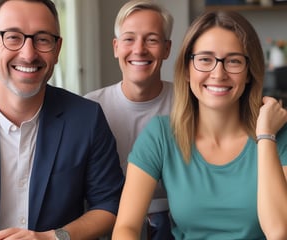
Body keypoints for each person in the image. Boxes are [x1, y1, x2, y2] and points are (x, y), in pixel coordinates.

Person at [112, 10, 287, 240]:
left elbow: (279, 231)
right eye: (205, 59)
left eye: (233, 61)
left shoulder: (276, 134)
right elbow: (126, 227)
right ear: (187, 69)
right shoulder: (161, 134)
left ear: (248, 73)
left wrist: (265, 136)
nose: (218, 73)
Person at [0, 0, 124, 239]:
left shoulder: (87, 119)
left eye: (43, 39)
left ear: (57, 50)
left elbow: (110, 205)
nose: (28, 54)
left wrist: (52, 237)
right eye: (13, 37)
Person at [85, 0, 174, 239]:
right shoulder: (90, 108)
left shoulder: (189, 105)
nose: (139, 49)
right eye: (129, 39)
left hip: (175, 224)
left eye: (152, 39)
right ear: (116, 47)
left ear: (167, 49)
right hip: (107, 222)